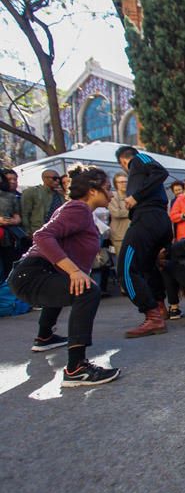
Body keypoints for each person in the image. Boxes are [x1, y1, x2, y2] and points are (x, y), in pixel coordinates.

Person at [8, 164, 120, 387]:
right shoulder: (78, 209)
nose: (112, 193)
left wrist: (73, 272)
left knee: (74, 284)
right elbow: (42, 236)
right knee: (87, 290)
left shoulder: (77, 210)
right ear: (92, 190)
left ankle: (45, 337)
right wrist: (74, 271)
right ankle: (76, 368)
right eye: (108, 188)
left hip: (33, 274)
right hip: (32, 274)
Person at [115, 145, 173, 338]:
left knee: (125, 268)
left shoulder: (138, 160)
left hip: (148, 218)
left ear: (123, 160)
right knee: (148, 267)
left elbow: (161, 171)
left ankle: (152, 316)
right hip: (155, 219)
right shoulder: (138, 170)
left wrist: (135, 197)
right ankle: (159, 307)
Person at [21, 169, 63, 237]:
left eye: (59, 179)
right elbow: (25, 213)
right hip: (38, 231)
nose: (57, 181)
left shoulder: (60, 195)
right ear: (44, 179)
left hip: (57, 232)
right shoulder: (32, 192)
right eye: (54, 178)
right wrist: (28, 232)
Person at [0, 173, 22, 280]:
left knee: (8, 269)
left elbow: (17, 218)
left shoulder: (10, 196)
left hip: (7, 238)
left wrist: (7, 221)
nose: (13, 181)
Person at [107, 172, 131, 260]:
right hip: (119, 235)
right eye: (121, 182)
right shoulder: (112, 196)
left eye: (125, 181)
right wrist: (133, 210)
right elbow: (116, 213)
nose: (124, 184)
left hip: (132, 233)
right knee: (121, 262)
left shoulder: (132, 196)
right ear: (115, 184)